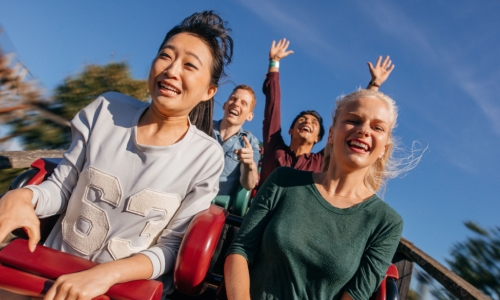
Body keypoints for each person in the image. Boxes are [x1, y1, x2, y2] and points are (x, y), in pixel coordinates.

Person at [0, 10, 233, 300]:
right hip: (44, 274)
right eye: (166, 56)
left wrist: (103, 276)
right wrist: (23, 197)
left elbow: (171, 248)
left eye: (189, 65)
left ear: (209, 91)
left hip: (118, 292)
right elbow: (61, 188)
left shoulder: (206, 155)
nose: (171, 70)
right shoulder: (106, 109)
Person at [225, 88, 405, 300]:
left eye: (377, 127)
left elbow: (356, 295)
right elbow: (240, 249)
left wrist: (374, 83)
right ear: (331, 133)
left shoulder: (387, 222)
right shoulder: (283, 180)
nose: (364, 130)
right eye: (354, 120)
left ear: (384, 147)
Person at [259, 38, 395, 186]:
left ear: (319, 138)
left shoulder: (321, 161)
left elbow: (352, 116)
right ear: (291, 130)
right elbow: (273, 106)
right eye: (302, 119)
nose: (307, 122)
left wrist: (374, 85)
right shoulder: (275, 147)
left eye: (314, 122)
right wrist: (274, 62)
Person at [212, 85, 260, 196]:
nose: (236, 104)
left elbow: (249, 184)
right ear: (225, 105)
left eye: (243, 103)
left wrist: (249, 165)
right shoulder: (203, 126)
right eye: (233, 99)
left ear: (249, 116)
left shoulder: (250, 142)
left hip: (214, 207)